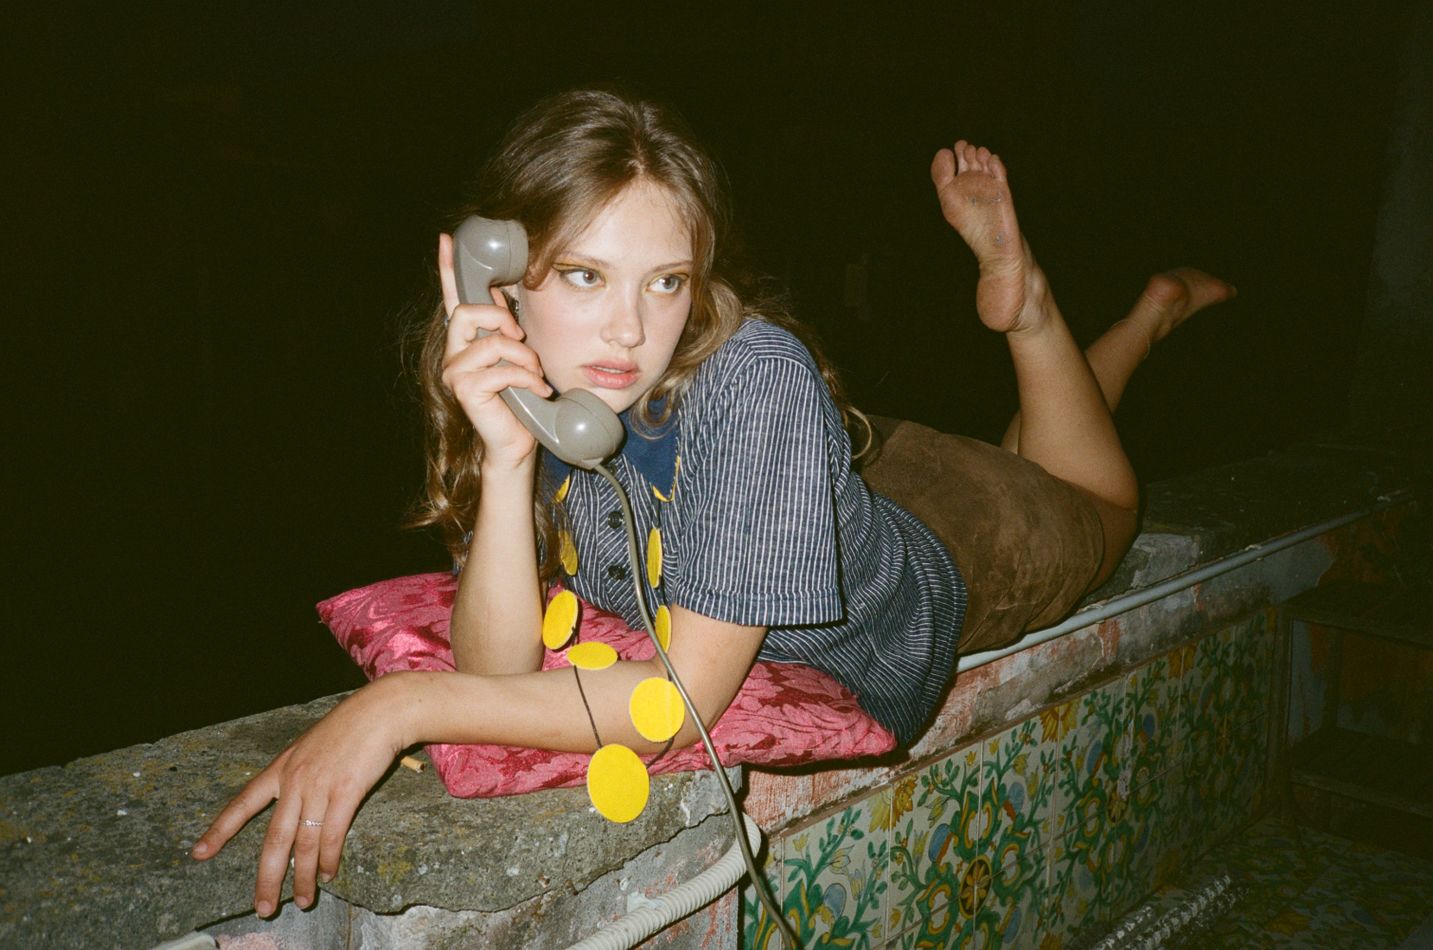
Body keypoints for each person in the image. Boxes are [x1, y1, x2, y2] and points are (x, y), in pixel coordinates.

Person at [190, 87, 1234, 917]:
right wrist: (505, 460)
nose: (627, 332)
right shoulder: (540, 391)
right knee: (1022, 451)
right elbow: (497, 668)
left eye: (665, 282)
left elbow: (683, 692)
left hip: (951, 555)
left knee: (1092, 500)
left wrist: (397, 705)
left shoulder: (755, 377)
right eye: (585, 275)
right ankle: (1041, 340)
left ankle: (1059, 305)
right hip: (825, 479)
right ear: (494, 280)